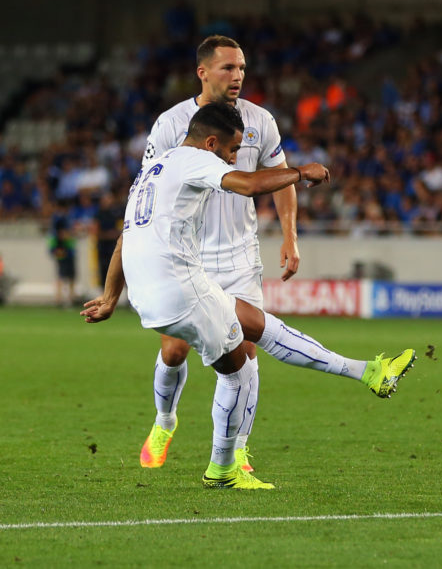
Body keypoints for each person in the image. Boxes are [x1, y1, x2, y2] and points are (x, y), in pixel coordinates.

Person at [82, 102, 416, 489]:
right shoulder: (195, 159)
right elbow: (250, 185)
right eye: (231, 150)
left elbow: (124, 237)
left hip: (148, 293)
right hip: (180, 289)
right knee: (240, 373)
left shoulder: (154, 169)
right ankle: (222, 469)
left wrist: (110, 297)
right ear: (211, 143)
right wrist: (300, 173)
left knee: (258, 326)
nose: (233, 158)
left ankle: (369, 372)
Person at [136, 35, 304, 474]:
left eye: (242, 68)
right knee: (174, 351)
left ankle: (236, 451)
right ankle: (165, 421)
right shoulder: (171, 124)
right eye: (228, 67)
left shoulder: (259, 120)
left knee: (245, 354)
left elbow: (281, 178)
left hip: (240, 257)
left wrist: (290, 236)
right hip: (187, 258)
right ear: (203, 72)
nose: (238, 76)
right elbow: (147, 186)